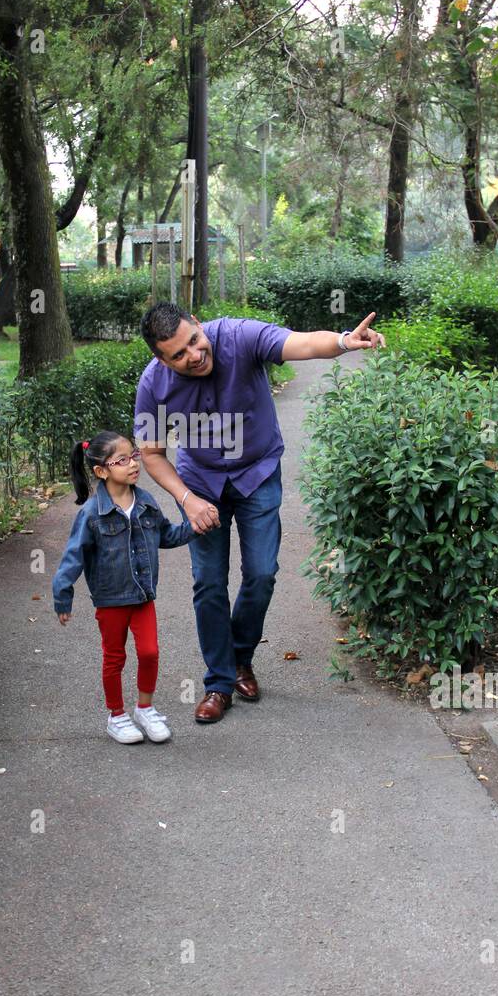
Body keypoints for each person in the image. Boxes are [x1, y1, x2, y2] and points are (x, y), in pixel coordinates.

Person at [133, 305, 386, 725]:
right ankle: (219, 682)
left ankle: (240, 658)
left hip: (258, 473)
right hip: (200, 486)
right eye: (178, 355)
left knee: (263, 572)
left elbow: (299, 342)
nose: (193, 355)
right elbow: (152, 453)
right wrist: (185, 499)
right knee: (209, 582)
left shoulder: (238, 336)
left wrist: (343, 341)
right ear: (162, 359)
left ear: (197, 324)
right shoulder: (153, 384)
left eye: (194, 341)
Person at [52, 431, 197, 745]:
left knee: (149, 652)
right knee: (114, 657)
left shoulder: (145, 501)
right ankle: (116, 716)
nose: (133, 464)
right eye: (122, 460)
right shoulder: (92, 513)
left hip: (143, 594)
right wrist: (63, 594)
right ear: (101, 471)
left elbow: (166, 535)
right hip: (111, 599)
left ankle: (145, 708)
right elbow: (72, 557)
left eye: (134, 456)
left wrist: (193, 527)